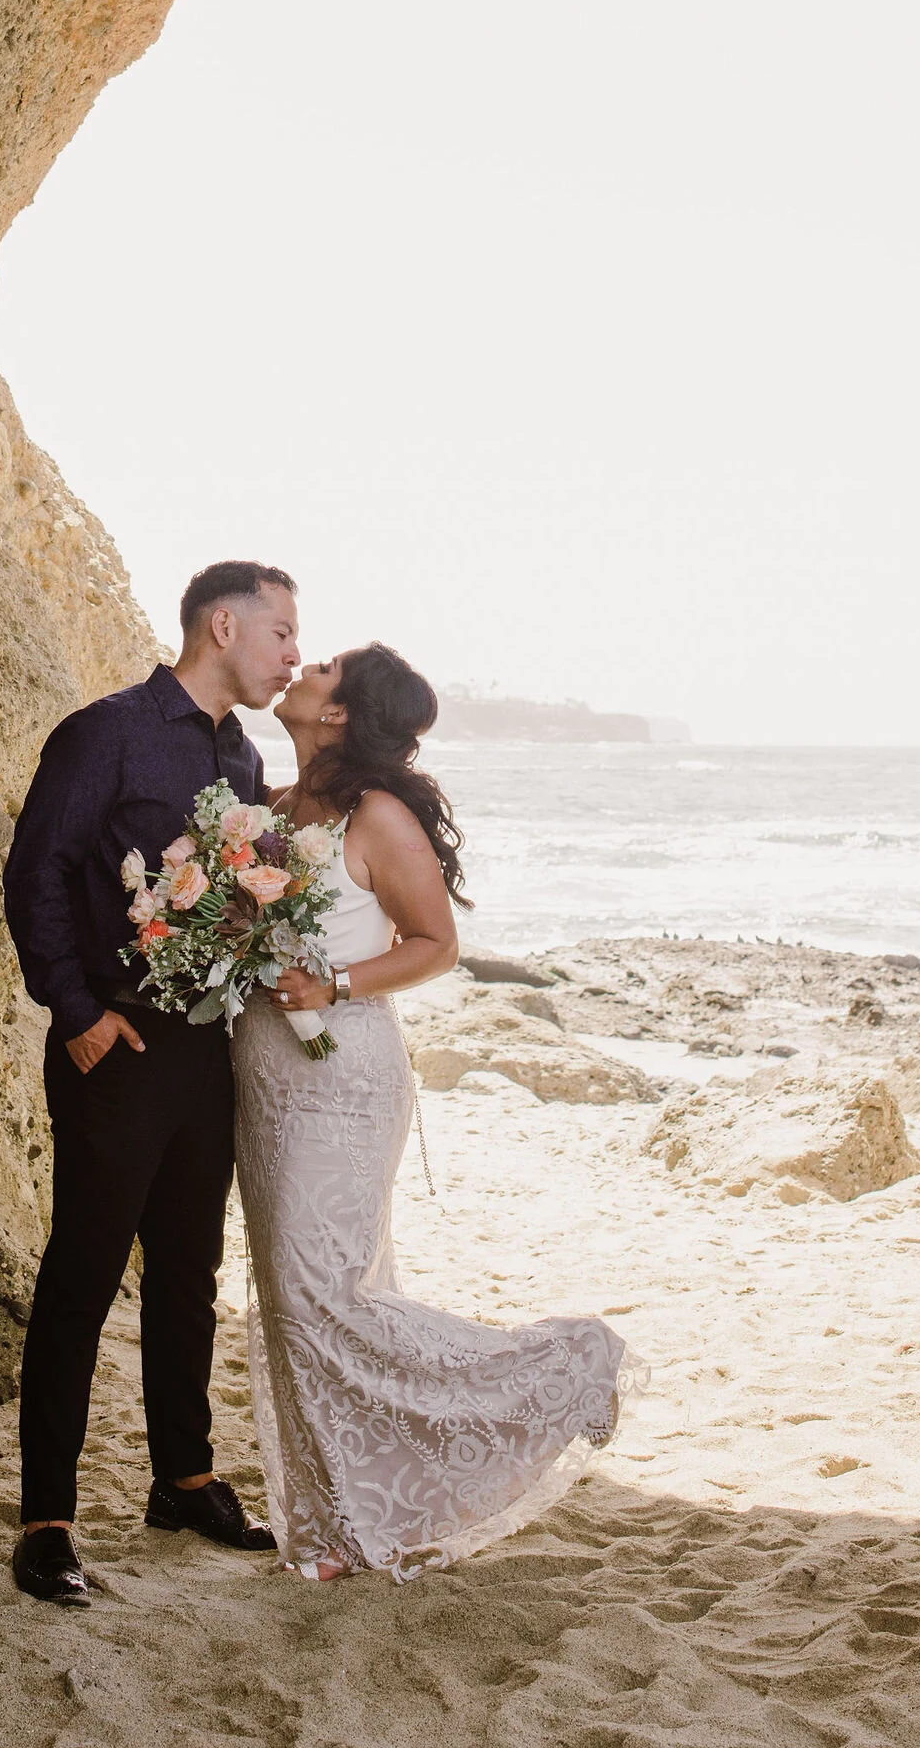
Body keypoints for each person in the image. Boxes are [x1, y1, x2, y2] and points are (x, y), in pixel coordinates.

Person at [235, 642, 645, 1578]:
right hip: (265, 1069)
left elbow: (436, 944)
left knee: (325, 1297)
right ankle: (336, 1527)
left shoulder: (374, 815)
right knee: (289, 1301)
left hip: (341, 1074)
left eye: (324, 668)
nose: (302, 667)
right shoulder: (271, 808)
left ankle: (566, 1369)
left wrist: (334, 982)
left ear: (339, 714)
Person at [1, 560, 301, 1605]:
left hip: (205, 1052)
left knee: (188, 1272)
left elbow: (245, 903)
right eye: (280, 634)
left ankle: (183, 1479)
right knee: (81, 1278)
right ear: (223, 625)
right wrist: (76, 1013)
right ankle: (45, 1520)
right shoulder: (105, 732)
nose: (291, 654)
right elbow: (33, 868)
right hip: (113, 1049)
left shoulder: (243, 757)